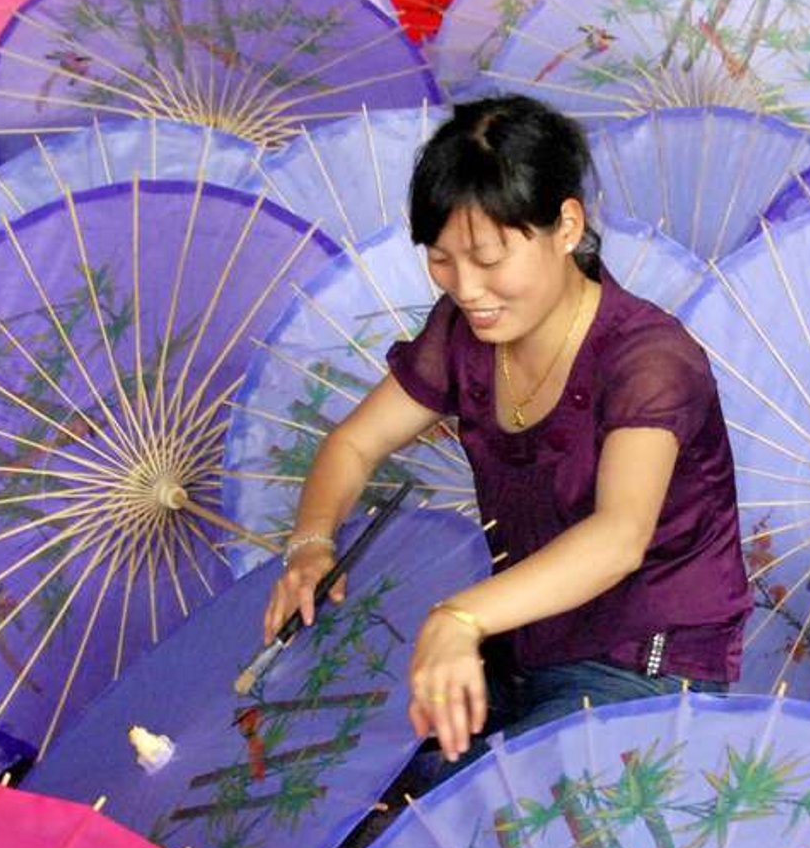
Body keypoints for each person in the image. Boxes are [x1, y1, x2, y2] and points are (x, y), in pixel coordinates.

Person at [263, 94, 750, 777]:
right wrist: (310, 545)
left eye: (490, 259)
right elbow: (353, 444)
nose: (467, 288)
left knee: (464, 802)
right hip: (519, 639)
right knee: (344, 753)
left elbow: (619, 538)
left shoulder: (650, 359)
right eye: (441, 259)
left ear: (566, 226)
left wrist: (459, 617)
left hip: (646, 662)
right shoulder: (463, 331)